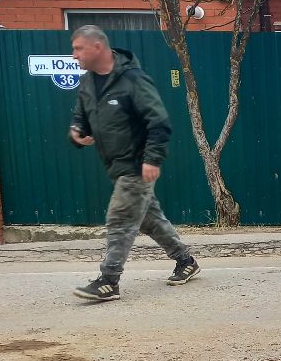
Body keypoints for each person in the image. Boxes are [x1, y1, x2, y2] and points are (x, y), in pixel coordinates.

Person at [68, 25, 199, 302]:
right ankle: (186, 261)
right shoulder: (88, 82)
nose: (74, 55)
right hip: (115, 166)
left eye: (78, 48)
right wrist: (77, 130)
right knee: (150, 220)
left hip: (137, 165)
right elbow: (81, 114)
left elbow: (159, 122)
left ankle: (109, 280)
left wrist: (152, 159)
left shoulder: (133, 80)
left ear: (97, 47)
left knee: (120, 218)